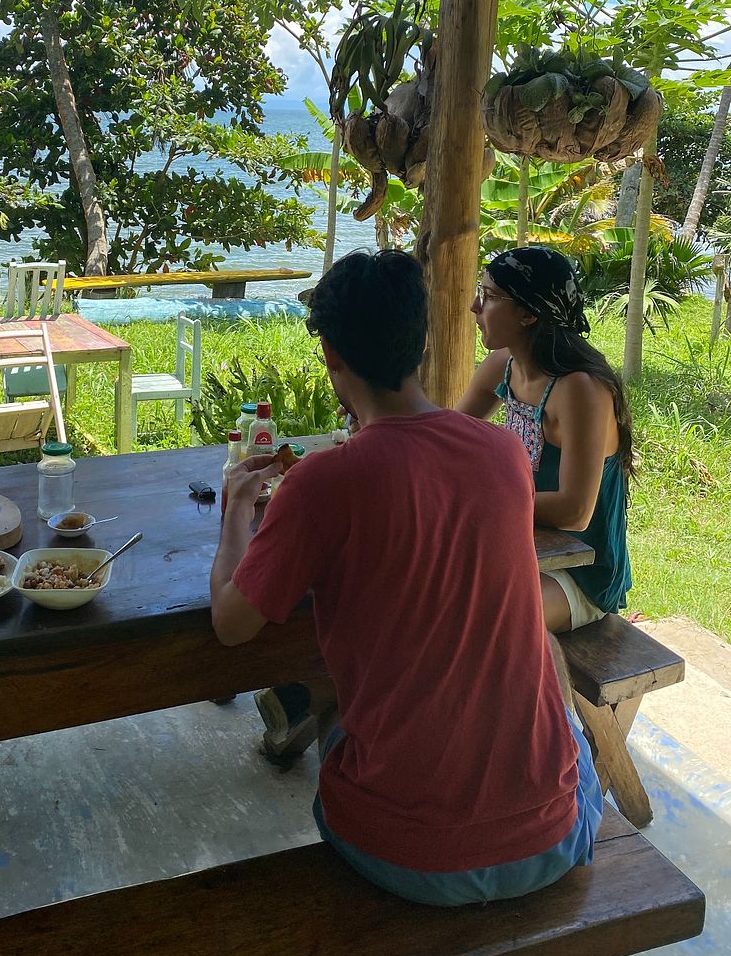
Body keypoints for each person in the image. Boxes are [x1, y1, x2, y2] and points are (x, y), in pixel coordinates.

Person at [210, 250, 601, 906]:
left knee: (333, 692)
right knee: (547, 676)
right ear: (421, 342)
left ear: (331, 354)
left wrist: (236, 513)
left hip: (406, 858)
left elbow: (230, 624)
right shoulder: (504, 454)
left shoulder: (321, 483)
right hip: (549, 842)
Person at [457, 245, 633, 633]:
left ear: (529, 313)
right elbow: (447, 441)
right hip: (523, 549)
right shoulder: (503, 365)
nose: (474, 306)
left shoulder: (580, 390)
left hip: (581, 574)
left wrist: (482, 502)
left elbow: (575, 511)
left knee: (483, 621)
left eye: (489, 296)